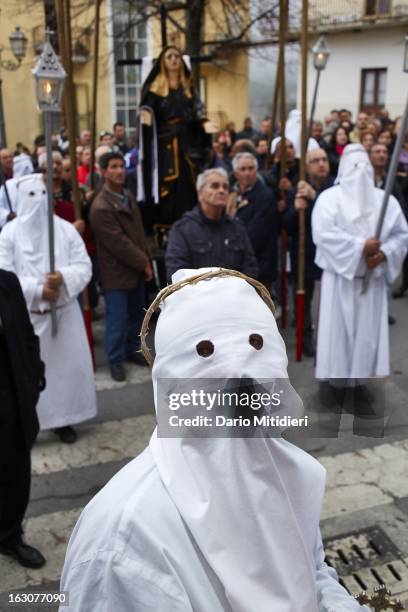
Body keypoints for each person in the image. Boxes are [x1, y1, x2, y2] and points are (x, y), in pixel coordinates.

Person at [60, 267, 369, 612]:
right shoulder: (124, 541)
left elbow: (311, 573)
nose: (241, 374)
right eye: (207, 351)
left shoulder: (283, 470)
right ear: (170, 380)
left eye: (256, 344)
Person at [0, 174, 97, 444]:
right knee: (28, 375)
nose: (39, 201)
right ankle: (30, 425)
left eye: (43, 194)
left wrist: (63, 277)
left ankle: (64, 420)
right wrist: (37, 289)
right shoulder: (8, 234)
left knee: (64, 374)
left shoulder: (64, 230)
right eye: (31, 195)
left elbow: (83, 265)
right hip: (28, 319)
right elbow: (4, 275)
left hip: (63, 315)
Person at [312, 145, 408, 390]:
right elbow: (324, 234)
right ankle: (336, 376)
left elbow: (402, 235)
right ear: (344, 168)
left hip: (371, 280)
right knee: (338, 334)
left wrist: (384, 253)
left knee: (366, 333)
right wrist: (360, 247)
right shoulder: (328, 199)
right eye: (355, 166)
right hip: (340, 279)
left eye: (365, 166)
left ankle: (362, 375)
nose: (361, 171)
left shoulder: (385, 201)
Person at [90, 152, 153, 382]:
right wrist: (143, 262)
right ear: (103, 171)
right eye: (113, 167)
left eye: (121, 166)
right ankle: (115, 360)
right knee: (117, 319)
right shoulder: (101, 206)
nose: (119, 171)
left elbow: (137, 232)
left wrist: (146, 257)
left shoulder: (127, 195)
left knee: (136, 315)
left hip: (135, 267)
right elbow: (119, 243)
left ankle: (131, 350)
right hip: (116, 271)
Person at [0, 269, 46, 569]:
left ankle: (10, 536)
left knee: (16, 471)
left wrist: (33, 379)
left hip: (12, 394)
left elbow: (28, 337)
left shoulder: (8, 282)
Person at [138, 46, 211, 229]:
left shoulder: (188, 89)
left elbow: (197, 111)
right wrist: (145, 118)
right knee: (167, 181)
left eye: (177, 56)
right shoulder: (155, 88)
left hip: (187, 143)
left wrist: (204, 122)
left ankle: (191, 219)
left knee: (189, 179)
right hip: (164, 144)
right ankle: (165, 223)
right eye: (169, 56)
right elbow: (146, 111)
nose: (173, 60)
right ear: (163, 61)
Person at [282, 148, 334, 357]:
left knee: (330, 297)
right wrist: (295, 209)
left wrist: (316, 197)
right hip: (305, 251)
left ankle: (330, 335)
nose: (321, 163)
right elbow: (287, 226)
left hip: (331, 252)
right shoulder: (299, 190)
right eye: (315, 160)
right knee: (303, 296)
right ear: (307, 166)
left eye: (324, 159)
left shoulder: (336, 188)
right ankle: (306, 336)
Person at [165, 168, 258, 281]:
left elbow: (251, 268)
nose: (221, 190)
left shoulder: (237, 228)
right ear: (200, 193)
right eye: (215, 186)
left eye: (225, 187)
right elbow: (176, 273)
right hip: (197, 297)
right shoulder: (182, 230)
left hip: (233, 296)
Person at [227, 152, 278, 288]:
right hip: (237, 265)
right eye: (243, 169)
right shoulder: (232, 194)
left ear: (256, 170)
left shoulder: (265, 196)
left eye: (251, 168)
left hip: (258, 266)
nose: (247, 173)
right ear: (235, 173)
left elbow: (256, 234)